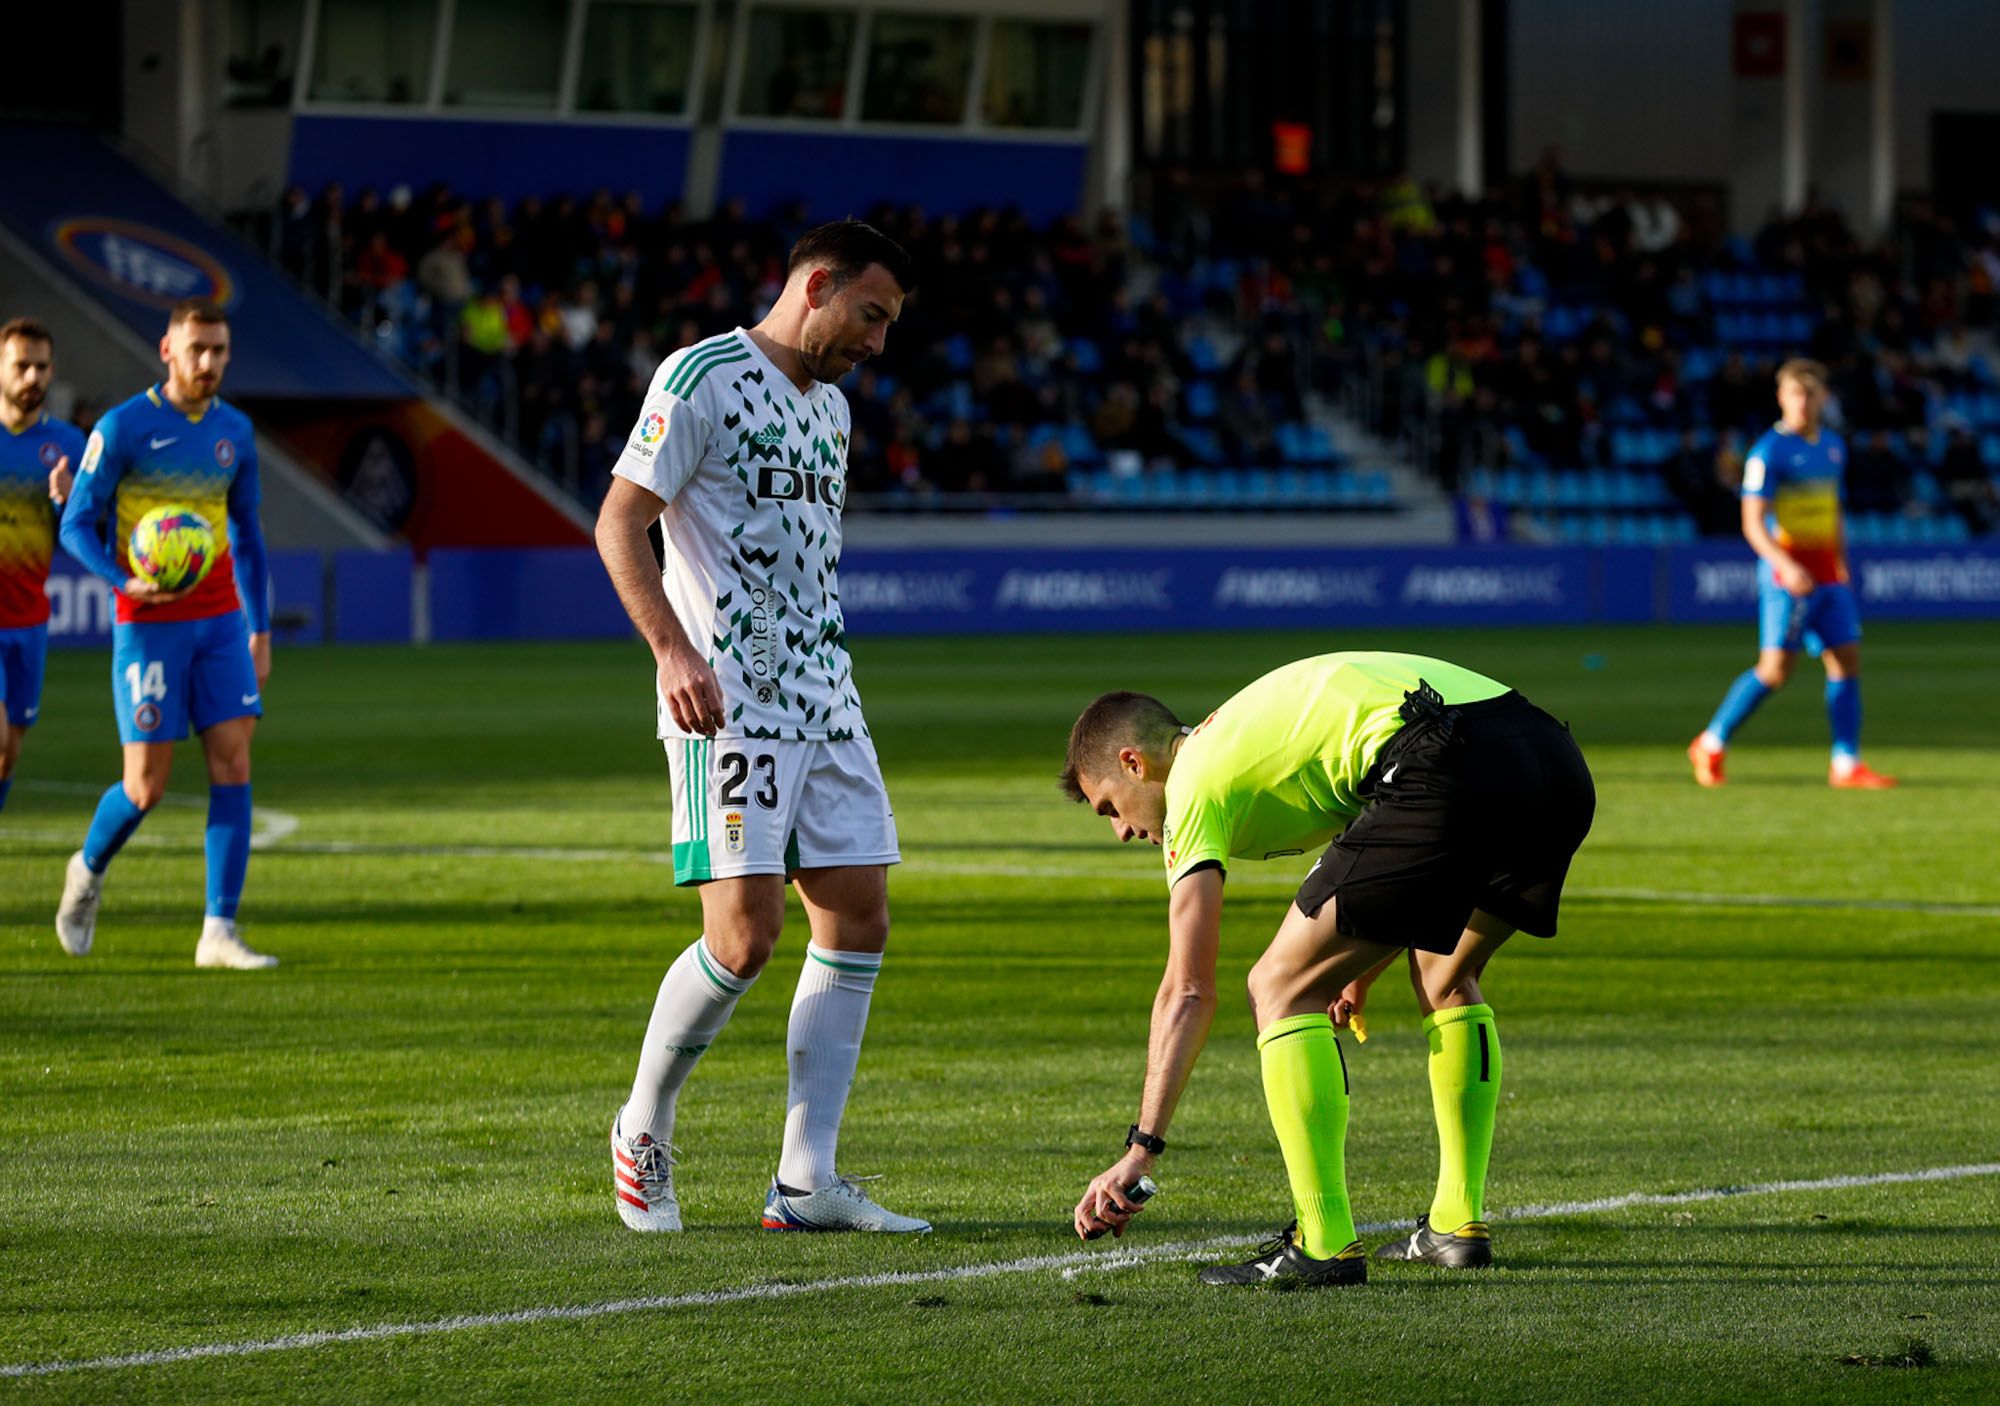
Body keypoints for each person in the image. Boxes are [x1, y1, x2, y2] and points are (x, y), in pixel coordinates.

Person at [594, 220, 927, 1234]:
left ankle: (804, 1179)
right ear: (816, 284)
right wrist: (670, 650)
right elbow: (618, 520)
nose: (876, 343)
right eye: (869, 315)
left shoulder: (829, 411)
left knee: (858, 914)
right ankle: (640, 1126)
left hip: (826, 693)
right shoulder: (700, 377)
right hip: (728, 699)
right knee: (743, 938)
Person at [1063, 653, 1594, 1287]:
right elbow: (1397, 852)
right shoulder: (1245, 744)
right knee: (1445, 976)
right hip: (1548, 759)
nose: (1121, 831)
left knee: (1278, 988)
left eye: (1109, 809)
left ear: (1133, 763)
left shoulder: (1193, 782)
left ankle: (1323, 1243)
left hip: (1444, 758)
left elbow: (1188, 989)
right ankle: (1457, 1224)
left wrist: (1140, 1149)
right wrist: (1361, 969)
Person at [53, 300, 276, 968]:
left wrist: (259, 630)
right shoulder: (123, 427)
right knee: (145, 787)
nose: (209, 363)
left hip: (217, 623)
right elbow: (76, 525)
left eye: (219, 351)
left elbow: (247, 535)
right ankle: (87, 871)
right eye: (197, 350)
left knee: (233, 761)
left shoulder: (235, 431)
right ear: (167, 351)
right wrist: (126, 582)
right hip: (148, 624)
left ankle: (218, 931)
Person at [1688, 359, 1896, 788]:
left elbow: (1832, 507)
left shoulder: (1833, 446)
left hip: (1828, 576)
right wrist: (1784, 565)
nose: (1802, 403)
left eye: (1810, 394)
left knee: (1847, 660)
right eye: (1794, 395)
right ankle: (1710, 741)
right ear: (1781, 398)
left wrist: (1840, 561)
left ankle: (1845, 763)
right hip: (1790, 576)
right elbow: (1751, 522)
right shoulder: (1768, 452)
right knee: (1776, 671)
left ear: (1823, 398)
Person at [0, 318, 85, 813]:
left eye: (41, 367)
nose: (33, 376)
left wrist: (68, 504)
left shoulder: (70, 444)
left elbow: (80, 534)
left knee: (9, 752)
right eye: (21, 365)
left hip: (28, 618)